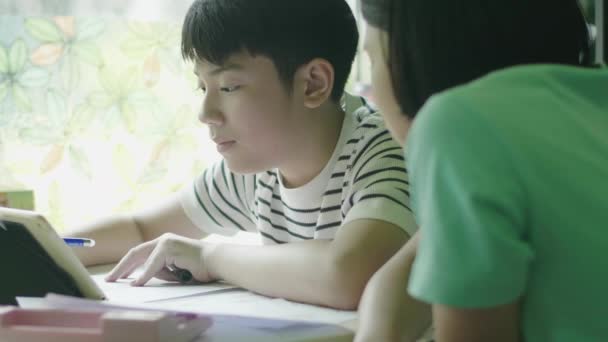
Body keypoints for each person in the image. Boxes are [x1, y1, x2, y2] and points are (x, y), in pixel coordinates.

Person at [66, 0, 419, 310]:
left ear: (313, 83)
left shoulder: (382, 148)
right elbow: (142, 230)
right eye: (202, 86)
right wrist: (42, 243)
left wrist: (209, 256)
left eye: (229, 86)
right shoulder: (253, 170)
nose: (205, 112)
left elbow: (350, 274)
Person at [354, 0, 607, 341]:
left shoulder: (457, 124)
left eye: (371, 59)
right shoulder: (586, 111)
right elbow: (393, 296)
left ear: (411, 54)